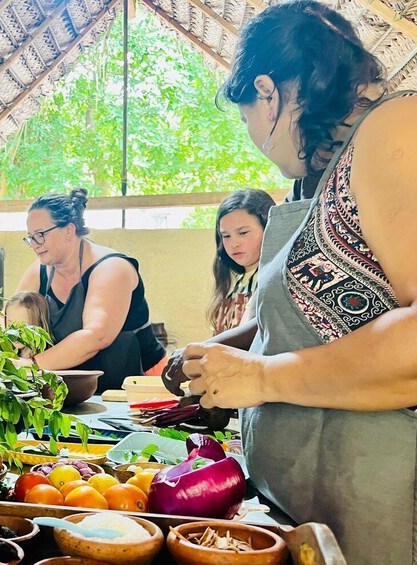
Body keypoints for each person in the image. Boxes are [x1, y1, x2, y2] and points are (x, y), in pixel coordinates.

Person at [165, 2, 417, 562]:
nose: (256, 138)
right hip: (318, 513)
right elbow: (311, 322)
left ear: (268, 92)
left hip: (385, 518)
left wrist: (260, 377)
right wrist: (226, 356)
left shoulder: (396, 128)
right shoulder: (320, 177)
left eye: (248, 117)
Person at [16, 188, 165, 392]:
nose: (34, 245)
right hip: (81, 388)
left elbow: (96, 336)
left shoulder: (111, 268)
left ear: (68, 230)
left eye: (40, 235)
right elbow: (12, 324)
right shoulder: (40, 270)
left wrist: (31, 366)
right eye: (30, 237)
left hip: (139, 384)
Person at [209, 189, 276, 335]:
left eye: (243, 233)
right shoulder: (234, 283)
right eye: (226, 236)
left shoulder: (275, 281)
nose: (234, 243)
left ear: (268, 227)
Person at [4, 292, 54, 359]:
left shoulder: (47, 356)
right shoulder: (7, 351)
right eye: (10, 324)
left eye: (23, 326)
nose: (14, 332)